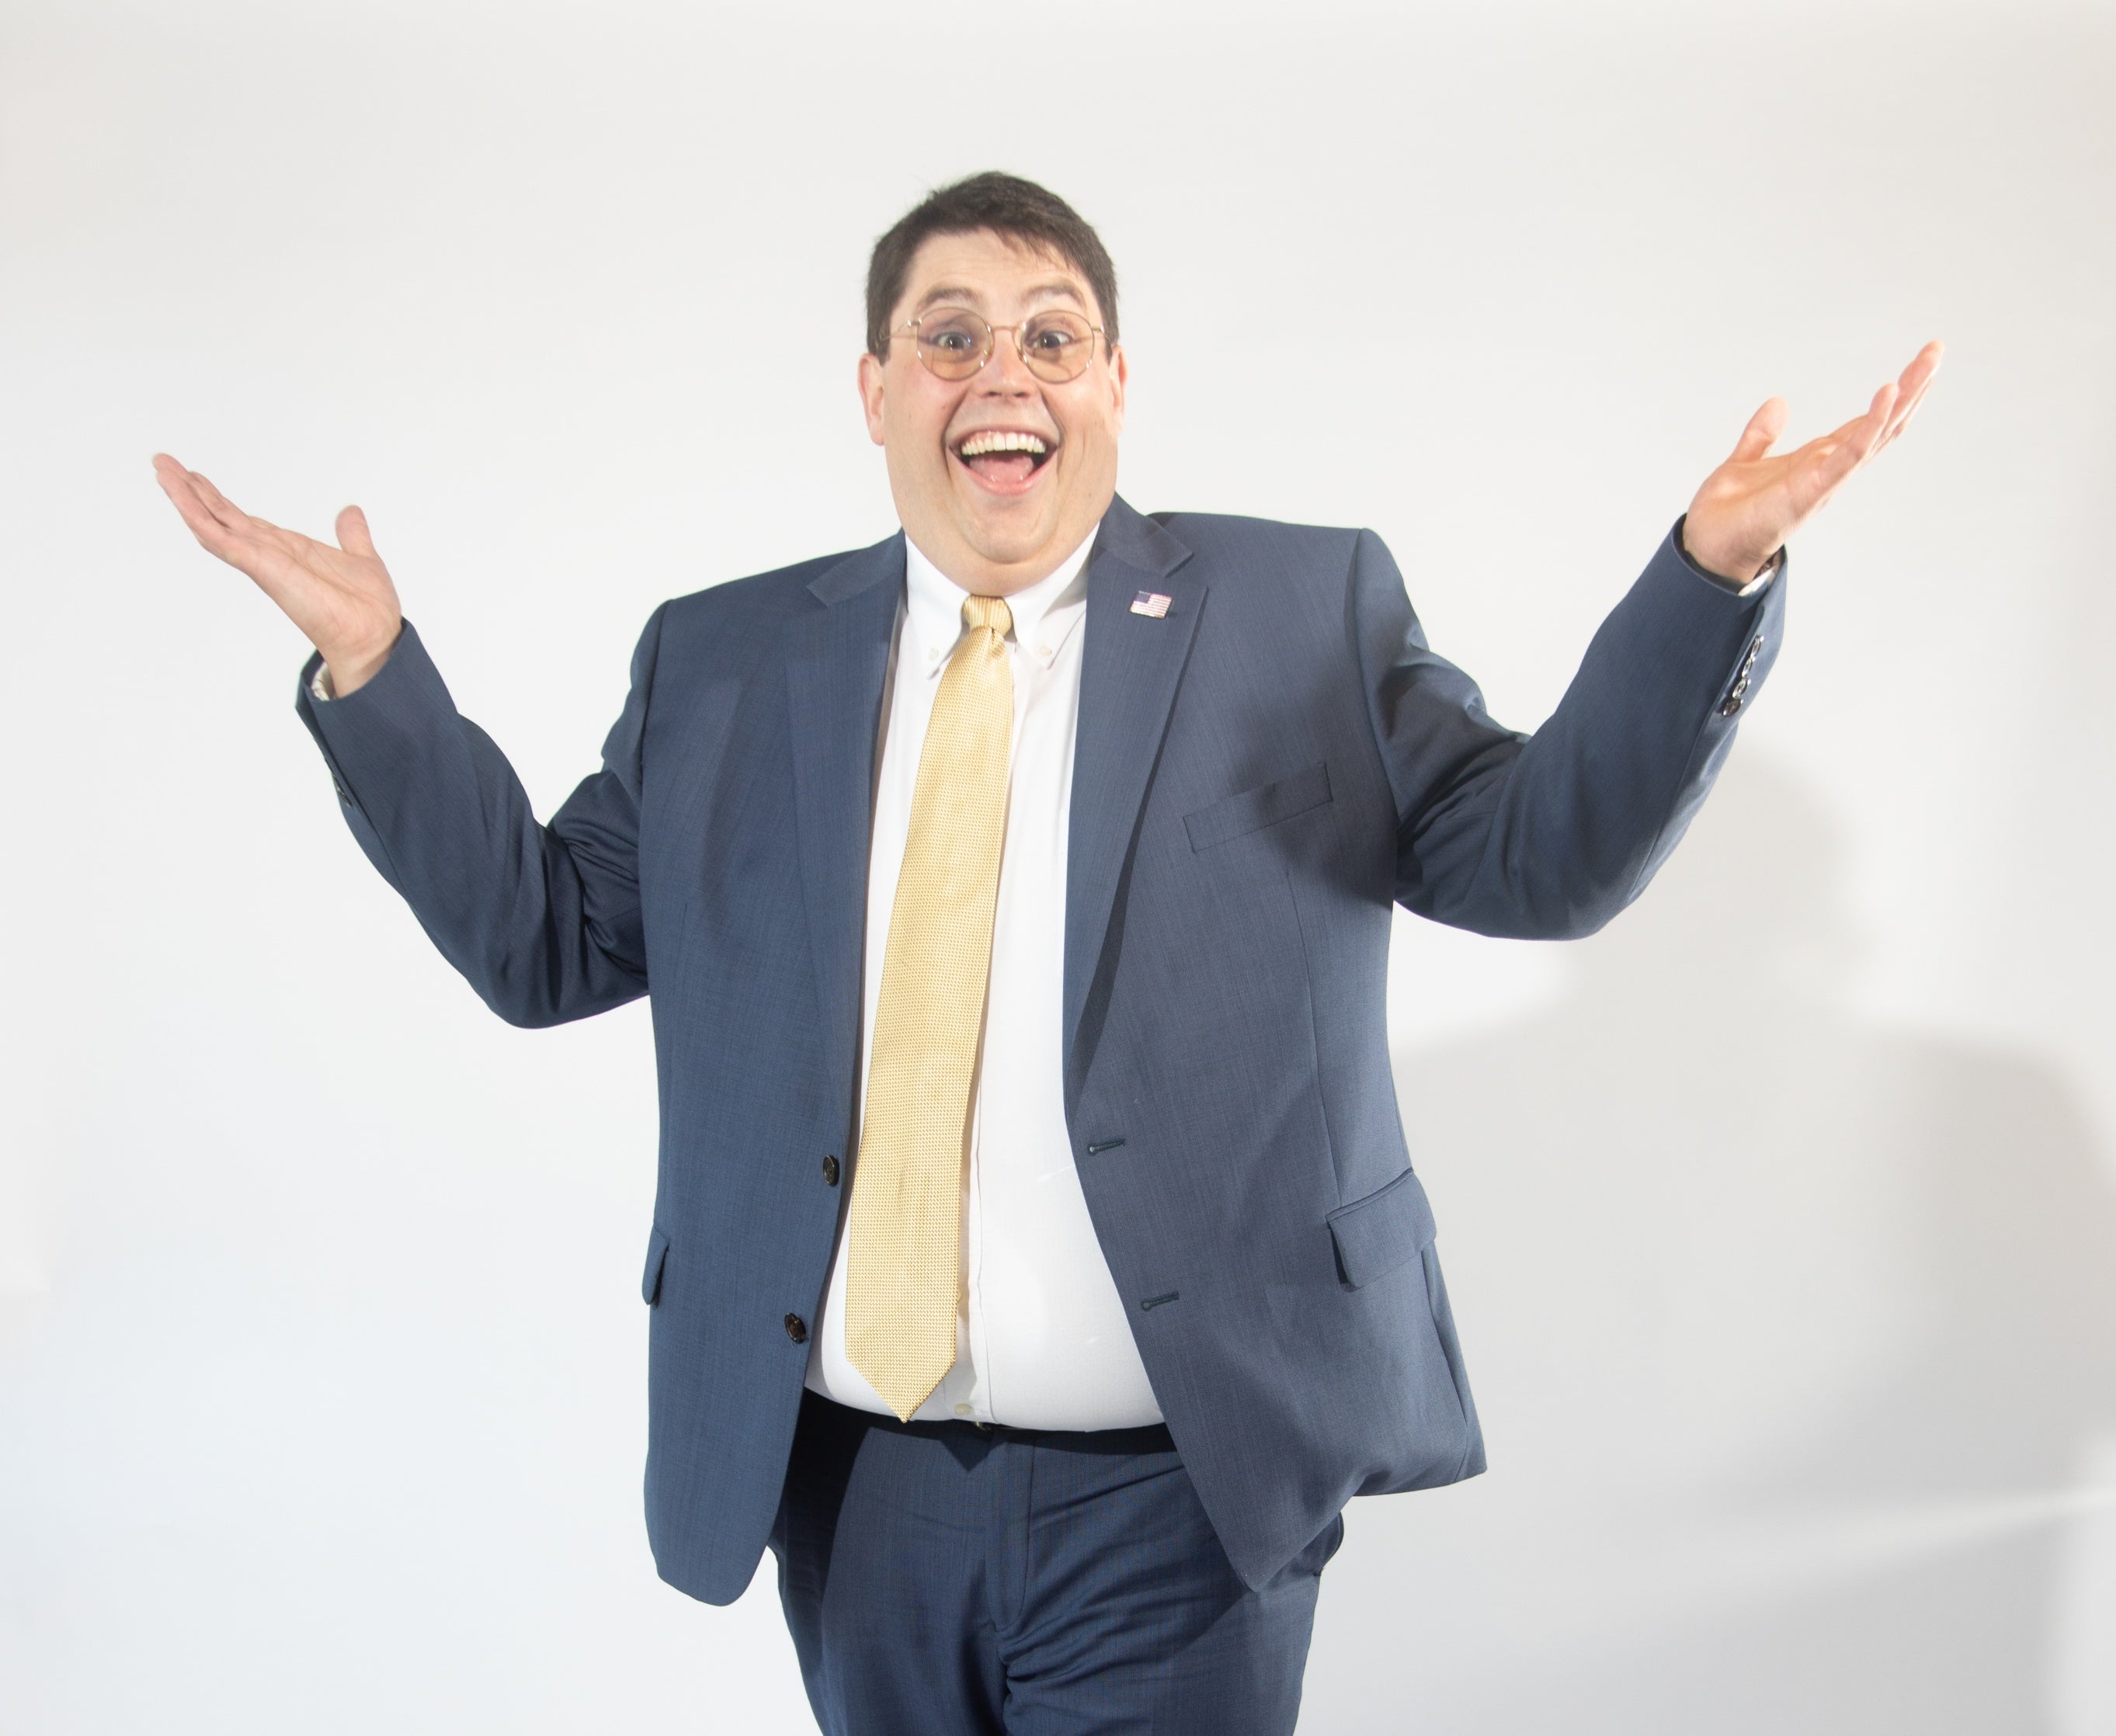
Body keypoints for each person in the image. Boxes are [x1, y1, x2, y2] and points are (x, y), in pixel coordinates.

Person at [155, 172, 1940, 1734]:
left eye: (1050, 334)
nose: (1000, 372)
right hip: (852, 1491)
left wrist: (1705, 576)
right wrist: (380, 681)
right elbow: (547, 941)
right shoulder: (721, 661)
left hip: (1182, 1489)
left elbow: (1538, 858)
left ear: (1112, 388)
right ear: (874, 391)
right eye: (948, 336)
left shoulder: (1298, 612)